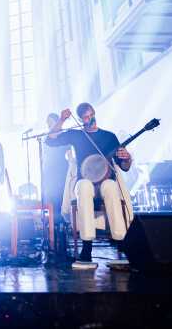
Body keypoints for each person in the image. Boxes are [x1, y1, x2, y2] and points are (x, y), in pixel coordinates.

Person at [46, 103, 132, 269]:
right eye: (85, 117)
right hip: (85, 181)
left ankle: (121, 243)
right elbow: (50, 141)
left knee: (111, 187)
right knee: (83, 186)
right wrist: (62, 120)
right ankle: (87, 248)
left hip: (106, 181)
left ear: (94, 113)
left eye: (90, 114)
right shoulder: (77, 135)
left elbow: (125, 166)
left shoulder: (109, 136)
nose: (89, 118)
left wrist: (127, 158)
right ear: (80, 120)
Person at [41, 113, 71, 221]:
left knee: (61, 196)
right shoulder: (46, 138)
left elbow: (69, 154)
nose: (48, 124)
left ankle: (63, 224)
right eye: (47, 122)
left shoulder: (64, 136)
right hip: (49, 172)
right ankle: (52, 224)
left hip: (62, 170)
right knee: (51, 198)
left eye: (50, 121)